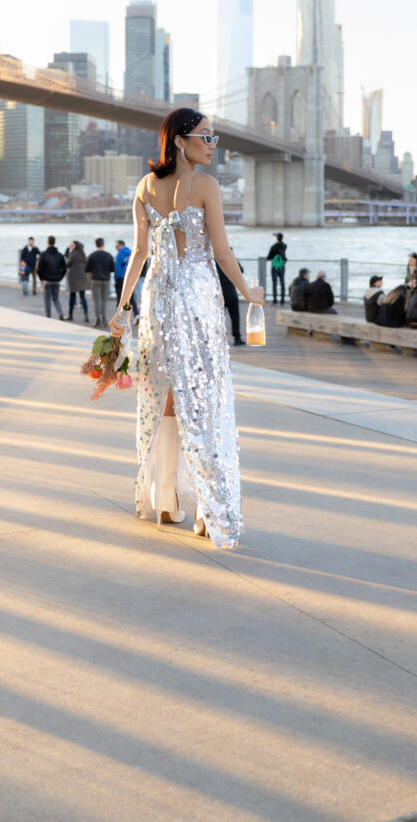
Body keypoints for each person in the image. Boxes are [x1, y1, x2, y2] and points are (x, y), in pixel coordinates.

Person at [108, 107, 263, 549]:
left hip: (156, 298)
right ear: (179, 139)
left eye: (215, 138)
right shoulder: (206, 186)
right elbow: (221, 251)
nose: (213, 145)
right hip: (196, 299)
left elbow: (139, 254)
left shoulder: (144, 186)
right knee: (205, 395)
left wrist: (123, 309)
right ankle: (207, 511)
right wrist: (248, 291)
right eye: (206, 137)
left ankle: (164, 499)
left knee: (166, 396)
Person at [216, 249, 245, 346]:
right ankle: (237, 338)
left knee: (220, 318)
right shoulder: (230, 258)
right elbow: (241, 270)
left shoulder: (213, 259)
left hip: (218, 293)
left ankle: (221, 339)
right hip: (230, 291)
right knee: (235, 316)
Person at [85, 237, 115, 328]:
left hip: (95, 280)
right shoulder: (109, 255)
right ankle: (104, 319)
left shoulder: (92, 255)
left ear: (96, 244)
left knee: (97, 301)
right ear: (103, 244)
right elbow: (112, 269)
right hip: (106, 280)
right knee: (104, 300)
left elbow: (87, 269)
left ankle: (98, 319)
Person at [37, 235, 66, 319]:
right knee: (56, 298)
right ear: (54, 242)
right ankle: (60, 312)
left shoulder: (44, 254)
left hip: (47, 280)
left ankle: (48, 315)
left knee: (47, 299)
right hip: (56, 280)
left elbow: (39, 269)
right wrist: (60, 277)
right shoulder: (60, 255)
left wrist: (42, 278)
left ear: (48, 242)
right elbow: (64, 269)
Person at [114, 239, 138, 319]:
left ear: (121, 245)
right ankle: (136, 314)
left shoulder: (119, 254)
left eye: (117, 246)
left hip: (121, 277)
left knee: (120, 297)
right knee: (130, 297)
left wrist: (115, 278)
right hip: (131, 277)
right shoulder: (132, 253)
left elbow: (117, 268)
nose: (116, 247)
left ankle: (120, 316)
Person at [65, 241, 89, 322]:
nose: (71, 246)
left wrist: (68, 248)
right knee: (83, 297)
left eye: (72, 245)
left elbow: (67, 264)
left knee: (72, 296)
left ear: (76, 246)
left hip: (73, 278)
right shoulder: (83, 255)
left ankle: (70, 315)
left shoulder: (73, 254)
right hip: (82, 277)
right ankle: (86, 315)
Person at [266, 232, 287, 305]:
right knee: (282, 283)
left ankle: (275, 300)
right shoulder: (284, 246)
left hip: (274, 266)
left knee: (274, 284)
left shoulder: (273, 247)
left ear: (277, 238)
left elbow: (268, 257)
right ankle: (282, 301)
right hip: (282, 266)